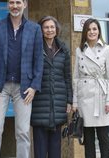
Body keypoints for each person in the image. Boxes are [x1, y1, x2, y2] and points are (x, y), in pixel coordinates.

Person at [0, 0, 43, 158]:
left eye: (18, 2)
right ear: (8, 5)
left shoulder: (35, 29)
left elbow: (38, 61)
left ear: (25, 4)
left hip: (24, 87)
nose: (14, 6)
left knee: (23, 132)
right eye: (11, 2)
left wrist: (34, 86)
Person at [73, 18, 109, 158]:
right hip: (84, 98)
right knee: (88, 139)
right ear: (85, 32)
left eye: (94, 29)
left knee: (104, 137)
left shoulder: (107, 49)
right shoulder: (79, 50)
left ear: (99, 31)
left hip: (101, 98)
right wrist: (75, 102)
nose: (92, 32)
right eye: (89, 29)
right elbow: (76, 78)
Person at [31, 16, 73, 158]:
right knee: (40, 151)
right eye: (46, 27)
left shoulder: (63, 49)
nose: (49, 30)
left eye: (52, 27)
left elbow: (67, 77)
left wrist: (69, 100)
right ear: (41, 30)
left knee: (56, 151)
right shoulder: (34, 49)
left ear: (56, 29)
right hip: (39, 104)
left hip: (58, 105)